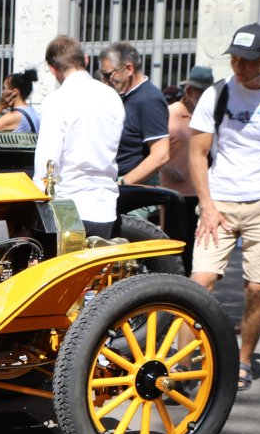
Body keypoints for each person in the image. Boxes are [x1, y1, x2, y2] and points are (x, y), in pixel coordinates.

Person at [188, 22, 260, 393]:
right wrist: (207, 205)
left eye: (248, 60)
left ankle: (242, 360)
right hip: (219, 200)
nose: (239, 66)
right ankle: (187, 364)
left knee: (257, 288)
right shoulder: (217, 93)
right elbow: (197, 152)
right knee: (199, 284)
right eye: (235, 58)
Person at [34, 34, 126, 240]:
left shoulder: (57, 100)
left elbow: (47, 163)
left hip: (68, 206)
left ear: (52, 68)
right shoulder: (112, 97)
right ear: (85, 59)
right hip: (105, 207)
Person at [159, 65, 214, 273]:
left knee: (197, 247)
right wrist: (167, 169)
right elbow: (151, 151)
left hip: (201, 194)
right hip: (174, 194)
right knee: (174, 246)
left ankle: (190, 286)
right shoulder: (171, 113)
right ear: (190, 91)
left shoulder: (209, 115)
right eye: (202, 92)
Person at [99, 42, 170, 188]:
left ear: (129, 69)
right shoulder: (120, 96)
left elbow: (161, 155)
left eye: (108, 75)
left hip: (134, 191)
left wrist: (123, 183)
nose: (104, 81)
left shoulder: (150, 100)